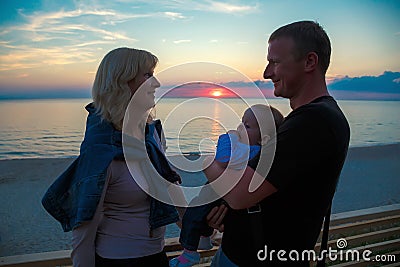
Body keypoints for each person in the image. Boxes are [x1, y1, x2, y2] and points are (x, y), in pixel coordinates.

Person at [205, 21, 350, 266]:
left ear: (309, 62)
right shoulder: (315, 118)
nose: (266, 73)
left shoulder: (313, 122)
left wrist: (209, 161)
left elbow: (241, 195)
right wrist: (225, 206)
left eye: (275, 62)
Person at [42, 47, 182, 267]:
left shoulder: (151, 133)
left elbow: (169, 187)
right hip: (119, 259)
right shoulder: (101, 148)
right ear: (122, 82)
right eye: (147, 75)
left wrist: (198, 226)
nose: (156, 83)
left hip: (157, 254)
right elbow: (85, 224)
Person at [170, 105, 284, 267]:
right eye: (241, 122)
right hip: (227, 194)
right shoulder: (257, 151)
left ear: (263, 138)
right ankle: (203, 238)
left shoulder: (250, 151)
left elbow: (222, 159)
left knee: (195, 210)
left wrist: (225, 138)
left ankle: (190, 251)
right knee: (201, 212)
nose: (240, 128)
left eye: (247, 126)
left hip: (222, 192)